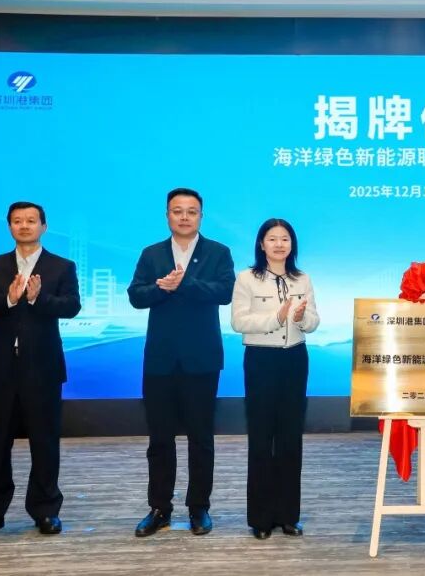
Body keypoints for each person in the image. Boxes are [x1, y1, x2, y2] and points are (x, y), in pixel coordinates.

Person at [0, 202, 81, 545]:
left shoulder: (62, 266)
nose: (24, 226)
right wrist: (8, 299)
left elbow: (72, 306)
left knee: (45, 441)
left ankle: (45, 510)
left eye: (31, 220)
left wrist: (39, 299)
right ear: (9, 226)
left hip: (42, 368)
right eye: (17, 221)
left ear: (43, 226)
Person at [127, 188, 235, 537]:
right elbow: (135, 295)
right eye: (177, 211)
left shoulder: (218, 252)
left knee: (201, 438)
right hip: (160, 360)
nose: (184, 217)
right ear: (167, 216)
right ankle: (159, 508)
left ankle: (199, 507)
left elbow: (225, 292)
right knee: (159, 438)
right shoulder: (151, 253)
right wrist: (162, 288)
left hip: (202, 359)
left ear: (201, 216)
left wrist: (184, 283)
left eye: (191, 211)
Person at [231, 218, 319, 540]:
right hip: (261, 360)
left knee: (290, 438)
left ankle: (288, 516)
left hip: (295, 358)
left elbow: (314, 321)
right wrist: (276, 317)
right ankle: (260, 518)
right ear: (261, 244)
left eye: (285, 239)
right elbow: (239, 322)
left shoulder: (302, 278)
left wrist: (302, 318)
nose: (279, 244)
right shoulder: (247, 278)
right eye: (272, 238)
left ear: (292, 244)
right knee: (261, 437)